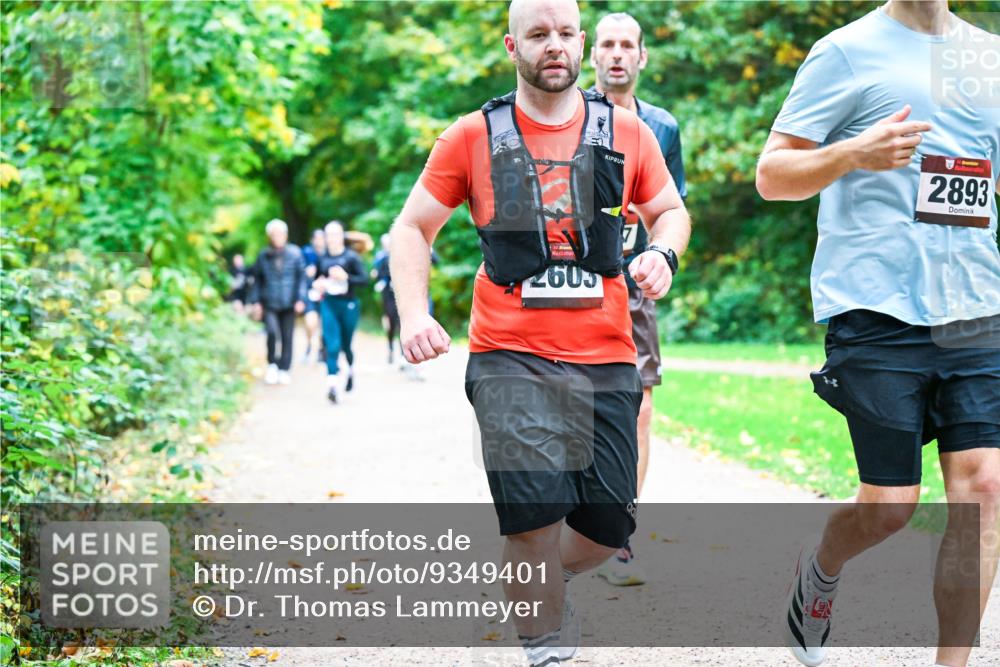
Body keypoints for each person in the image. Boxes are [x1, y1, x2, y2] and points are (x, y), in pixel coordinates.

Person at [390, 1, 691, 664]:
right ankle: (544, 639)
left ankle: (537, 583)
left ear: (581, 42)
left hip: (608, 353)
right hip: (507, 354)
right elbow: (411, 227)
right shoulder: (471, 135)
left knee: (608, 525)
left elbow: (669, 210)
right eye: (537, 34)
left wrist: (662, 253)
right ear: (512, 44)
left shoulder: (629, 132)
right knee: (533, 515)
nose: (553, 46)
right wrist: (415, 313)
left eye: (563, 34)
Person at [756, 1, 1000, 665]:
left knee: (984, 488)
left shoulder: (987, 55)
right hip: (875, 307)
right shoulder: (846, 51)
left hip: (975, 307)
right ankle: (820, 570)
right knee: (891, 506)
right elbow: (772, 174)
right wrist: (851, 154)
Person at [589, 11, 687, 588]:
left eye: (629, 45)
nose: (619, 54)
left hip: (634, 288)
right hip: (574, 285)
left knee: (640, 409)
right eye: (608, 44)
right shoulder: (568, 115)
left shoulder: (663, 128)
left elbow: (671, 210)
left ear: (643, 57)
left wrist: (660, 259)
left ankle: (619, 536)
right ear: (591, 54)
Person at [247, 219, 307, 385]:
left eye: (280, 233)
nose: (277, 237)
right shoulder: (263, 255)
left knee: (288, 336)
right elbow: (257, 280)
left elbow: (301, 278)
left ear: (285, 235)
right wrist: (256, 302)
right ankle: (272, 364)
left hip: (289, 302)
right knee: (272, 333)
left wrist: (301, 299)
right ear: (270, 236)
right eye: (274, 234)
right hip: (270, 302)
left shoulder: (295, 253)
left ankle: (284, 369)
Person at [314, 220, 368, 403]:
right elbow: (316, 281)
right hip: (328, 304)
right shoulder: (322, 258)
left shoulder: (351, 257)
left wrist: (346, 277)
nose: (332, 238)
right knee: (332, 345)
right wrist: (318, 284)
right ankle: (332, 386)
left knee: (346, 346)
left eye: (335, 234)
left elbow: (364, 280)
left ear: (341, 236)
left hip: (349, 305)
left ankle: (351, 370)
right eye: (328, 234)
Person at [372, 233, 401, 365]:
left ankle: (403, 354)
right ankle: (390, 348)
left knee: (401, 323)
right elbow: (377, 273)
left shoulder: (401, 254)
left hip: (401, 293)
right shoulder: (381, 257)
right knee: (391, 322)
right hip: (387, 294)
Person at [301, 229, 327, 363]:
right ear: (312, 240)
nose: (319, 240)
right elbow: (298, 270)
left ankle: (322, 350)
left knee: (325, 324)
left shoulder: (329, 253)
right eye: (317, 238)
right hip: (310, 292)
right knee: (310, 322)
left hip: (326, 294)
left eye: (322, 238)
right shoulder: (306, 253)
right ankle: (309, 345)